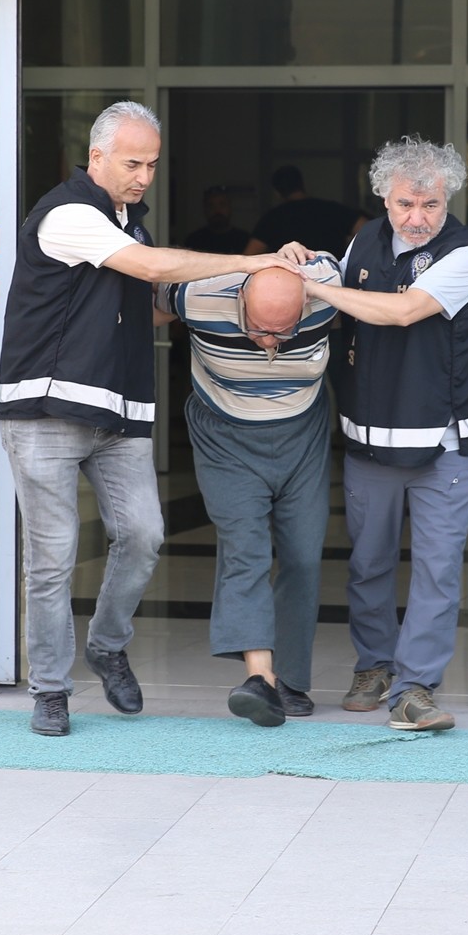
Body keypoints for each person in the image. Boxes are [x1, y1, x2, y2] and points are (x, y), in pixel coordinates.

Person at [0, 100, 296, 737]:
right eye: (132, 163)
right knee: (51, 561)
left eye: (152, 165)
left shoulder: (130, 224)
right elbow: (154, 269)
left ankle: (107, 644)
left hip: (119, 410)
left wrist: (254, 304)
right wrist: (251, 261)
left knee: (144, 537)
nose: (143, 175)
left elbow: (152, 304)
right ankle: (50, 691)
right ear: (96, 156)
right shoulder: (70, 213)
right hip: (45, 412)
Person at [295, 135, 468, 732]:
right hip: (371, 437)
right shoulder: (362, 242)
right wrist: (299, 264)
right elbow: (336, 294)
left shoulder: (466, 253)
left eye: (431, 204)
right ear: (384, 197)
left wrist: (316, 288)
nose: (418, 217)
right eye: (406, 203)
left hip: (443, 444)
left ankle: (415, 688)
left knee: (437, 569)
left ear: (447, 197)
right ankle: (375, 665)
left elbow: (400, 311)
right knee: (369, 563)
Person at [156, 257, 341, 727]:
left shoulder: (326, 286)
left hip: (302, 430)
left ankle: (293, 678)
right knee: (246, 549)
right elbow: (143, 304)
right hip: (224, 434)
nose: (270, 345)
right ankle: (261, 679)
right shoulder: (198, 295)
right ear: (240, 299)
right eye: (260, 331)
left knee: (303, 554)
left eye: (284, 333)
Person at [245, 164, 368, 260]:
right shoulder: (331, 209)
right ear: (302, 185)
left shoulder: (272, 218)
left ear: (276, 193)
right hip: (332, 279)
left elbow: (250, 256)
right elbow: (367, 229)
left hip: (290, 281)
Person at [184, 185, 250, 255]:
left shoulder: (244, 240)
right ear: (205, 209)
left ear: (230, 207)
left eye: (222, 204)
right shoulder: (194, 240)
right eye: (211, 206)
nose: (217, 211)